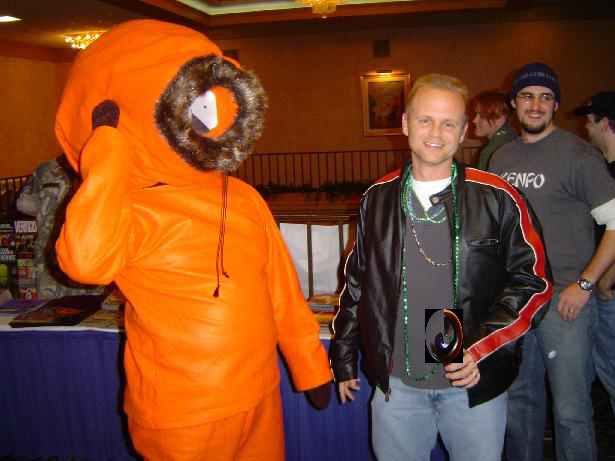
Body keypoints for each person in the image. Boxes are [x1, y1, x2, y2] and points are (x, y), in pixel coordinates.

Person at [53, 20, 332, 461]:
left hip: (260, 395)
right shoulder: (130, 208)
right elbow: (85, 263)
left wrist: (309, 363)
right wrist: (106, 154)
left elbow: (281, 290)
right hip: (181, 415)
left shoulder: (244, 198)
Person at [330, 73, 552, 461]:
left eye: (449, 123)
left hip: (472, 385)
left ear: (464, 131)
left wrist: (480, 346)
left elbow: (534, 282)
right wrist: (343, 354)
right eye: (425, 120)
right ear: (405, 124)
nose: (436, 132)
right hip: (397, 385)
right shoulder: (378, 198)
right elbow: (357, 281)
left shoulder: (497, 196)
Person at [489, 63, 615, 461]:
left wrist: (585, 284)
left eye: (545, 97)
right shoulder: (501, 158)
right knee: (519, 407)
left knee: (571, 412)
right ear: (513, 103)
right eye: (527, 96)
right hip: (516, 302)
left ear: (556, 105)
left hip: (565, 303)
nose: (536, 105)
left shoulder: (579, 156)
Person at [573, 91, 615, 416]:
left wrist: (604, 279)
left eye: (589, 121)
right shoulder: (601, 166)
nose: (586, 128)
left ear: (604, 123)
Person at [16, 154, 104, 298]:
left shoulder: (101, 167)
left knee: (92, 308)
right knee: (50, 309)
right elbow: (25, 205)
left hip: (88, 263)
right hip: (49, 269)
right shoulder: (46, 170)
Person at [470, 90, 517, 170]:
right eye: (476, 114)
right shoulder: (514, 138)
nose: (474, 120)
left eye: (481, 115)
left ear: (499, 119)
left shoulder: (491, 152)